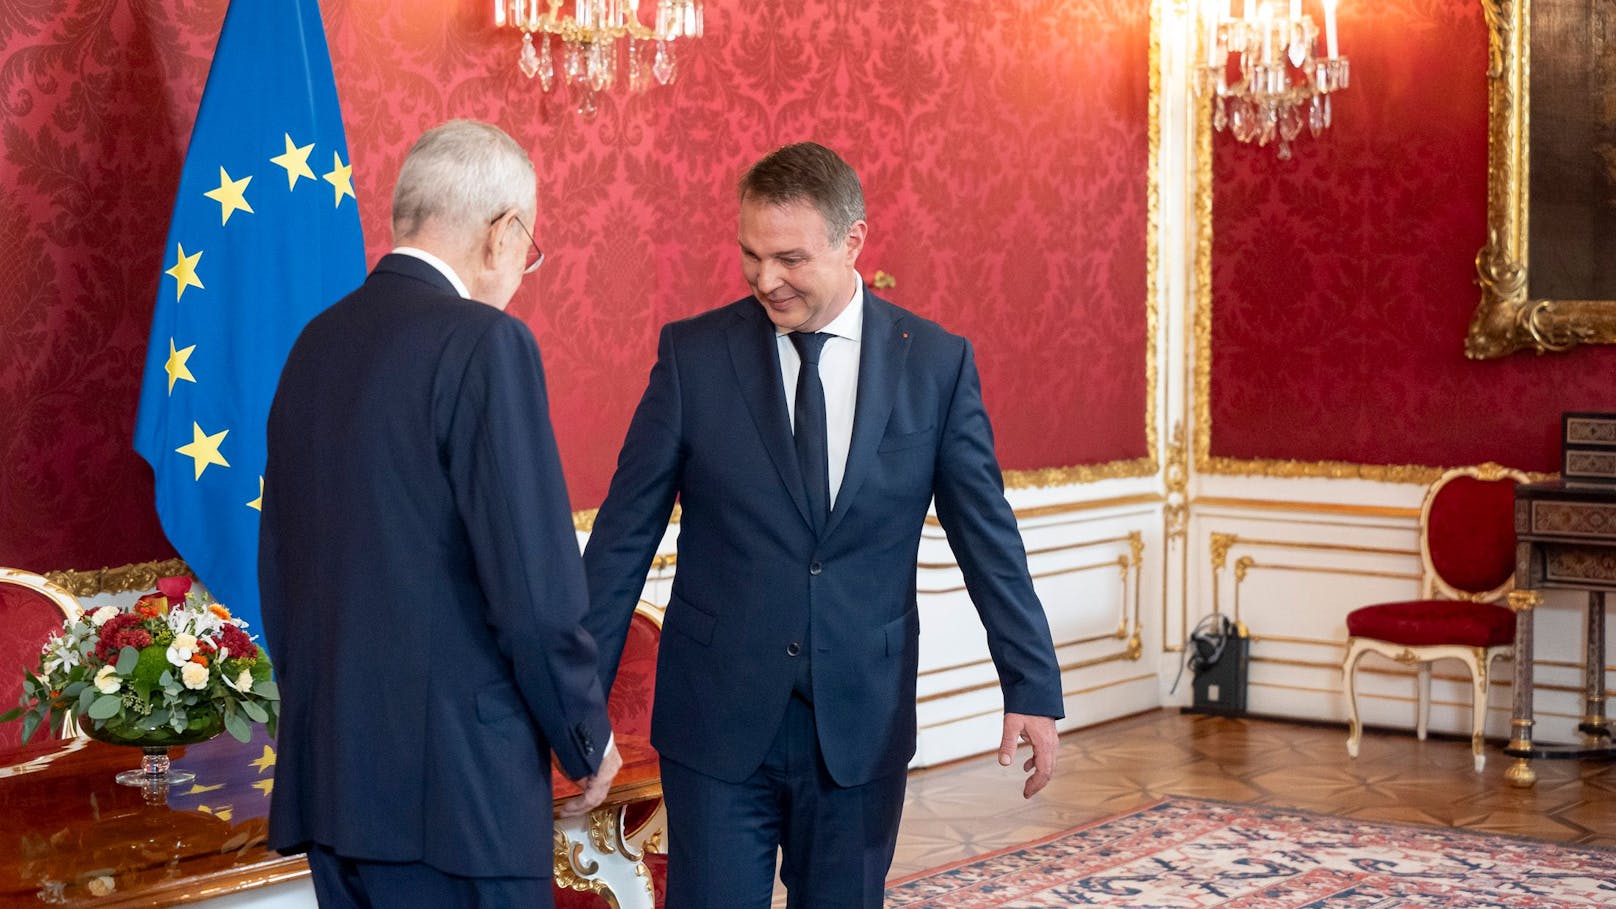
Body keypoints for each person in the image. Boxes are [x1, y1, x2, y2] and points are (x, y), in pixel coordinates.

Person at [582, 141, 1064, 907]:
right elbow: (622, 539)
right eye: (751, 254)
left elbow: (988, 539)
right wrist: (576, 700)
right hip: (716, 722)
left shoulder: (934, 364)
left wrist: (1031, 682)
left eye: (791, 258)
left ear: (853, 242)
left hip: (860, 724)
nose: (765, 279)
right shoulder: (693, 356)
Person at [259, 119, 620, 908]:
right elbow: (532, 591)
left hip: (334, 783)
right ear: (503, 233)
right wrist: (585, 735)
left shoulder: (312, 345)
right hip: (459, 800)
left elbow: (281, 574)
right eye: (528, 251)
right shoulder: (487, 343)